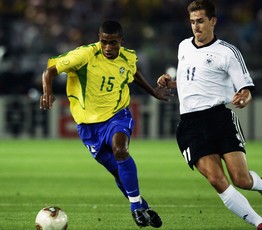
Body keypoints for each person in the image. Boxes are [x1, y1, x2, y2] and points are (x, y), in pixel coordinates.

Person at [157, 1, 262, 230]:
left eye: (200, 21)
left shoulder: (227, 52)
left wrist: (245, 98)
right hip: (190, 124)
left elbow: (245, 89)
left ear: (212, 21)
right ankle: (261, 224)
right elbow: (192, 82)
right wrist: (172, 83)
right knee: (217, 180)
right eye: (192, 22)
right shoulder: (183, 47)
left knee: (241, 179)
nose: (196, 27)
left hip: (220, 118)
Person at [40, 20, 170, 228]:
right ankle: (143, 206)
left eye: (113, 43)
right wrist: (47, 92)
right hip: (88, 126)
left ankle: (135, 208)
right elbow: (49, 73)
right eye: (104, 42)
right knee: (119, 173)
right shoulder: (84, 56)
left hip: (117, 114)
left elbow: (133, 72)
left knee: (121, 150)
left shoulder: (128, 56)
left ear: (121, 41)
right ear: (99, 39)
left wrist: (153, 92)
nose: (108, 47)